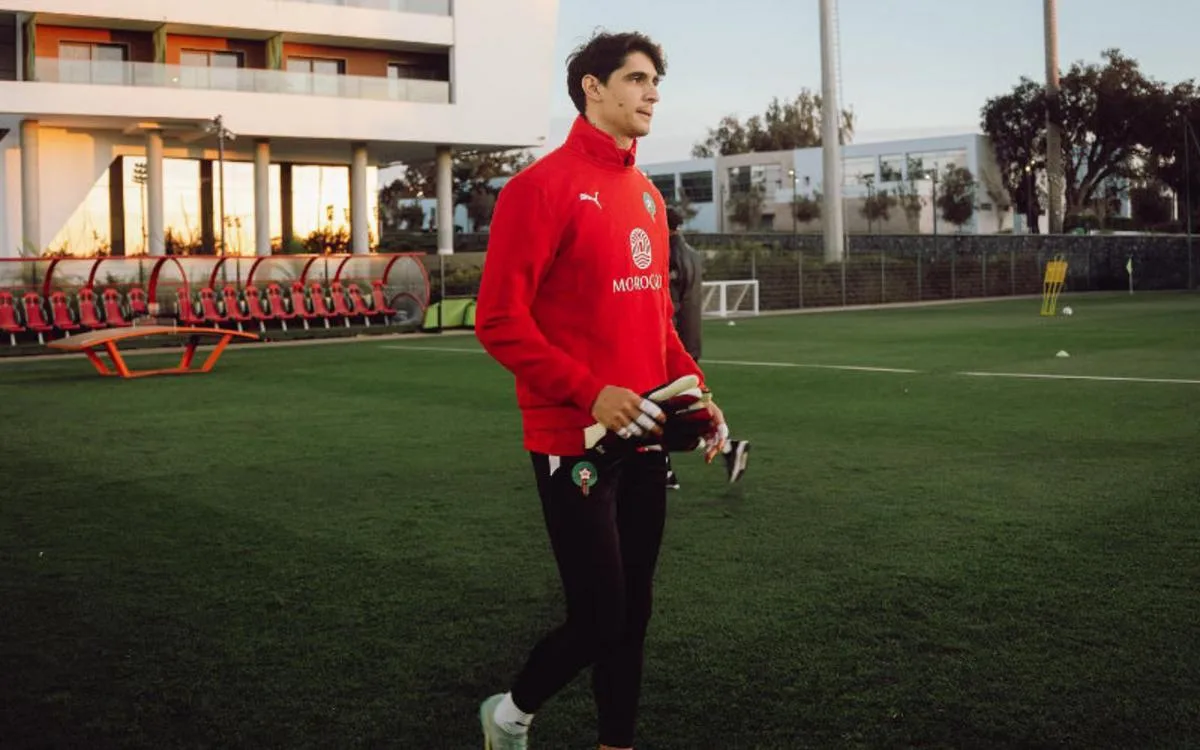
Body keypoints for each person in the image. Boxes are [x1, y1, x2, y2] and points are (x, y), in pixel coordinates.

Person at [473, 30, 730, 750]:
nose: (652, 94)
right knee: (598, 617)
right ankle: (508, 716)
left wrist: (698, 394)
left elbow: (657, 322)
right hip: (573, 439)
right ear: (593, 87)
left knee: (634, 614)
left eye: (656, 82)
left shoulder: (645, 195)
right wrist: (591, 393)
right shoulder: (537, 189)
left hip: (647, 434)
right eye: (637, 79)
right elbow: (497, 321)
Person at [664, 206, 751, 489]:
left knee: (666, 408)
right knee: (676, 408)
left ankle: (729, 448)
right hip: (690, 340)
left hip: (674, 344)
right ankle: (666, 469)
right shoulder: (692, 254)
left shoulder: (668, 255)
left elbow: (669, 306)